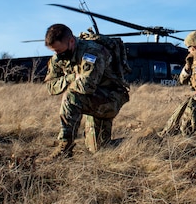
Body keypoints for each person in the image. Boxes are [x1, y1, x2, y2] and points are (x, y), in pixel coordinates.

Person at [43, 23, 130, 159]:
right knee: (99, 150)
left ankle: (64, 148)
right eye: (54, 52)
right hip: (90, 100)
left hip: (110, 100)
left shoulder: (92, 52)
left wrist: (67, 83)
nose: (58, 56)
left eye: (59, 51)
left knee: (71, 97)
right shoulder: (58, 58)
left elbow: (86, 86)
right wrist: (72, 77)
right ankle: (138, 141)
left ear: (71, 41)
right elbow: (50, 87)